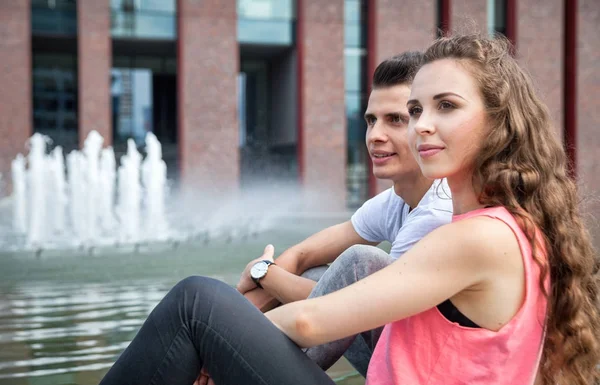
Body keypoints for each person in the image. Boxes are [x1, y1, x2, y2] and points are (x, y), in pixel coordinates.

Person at [99, 34, 600, 385]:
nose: (421, 125)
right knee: (343, 266)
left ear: (498, 123)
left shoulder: (476, 236)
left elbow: (314, 322)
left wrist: (218, 344)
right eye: (419, 109)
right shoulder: (508, 227)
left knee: (197, 305)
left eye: (446, 106)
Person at [237, 51, 453, 377]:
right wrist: (255, 293)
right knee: (318, 274)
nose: (375, 135)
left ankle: (238, 362)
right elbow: (304, 254)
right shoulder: (395, 200)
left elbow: (360, 305)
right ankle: (231, 356)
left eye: (395, 119)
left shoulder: (437, 215)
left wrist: (263, 273)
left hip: (431, 374)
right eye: (370, 120)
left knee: (358, 263)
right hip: (401, 356)